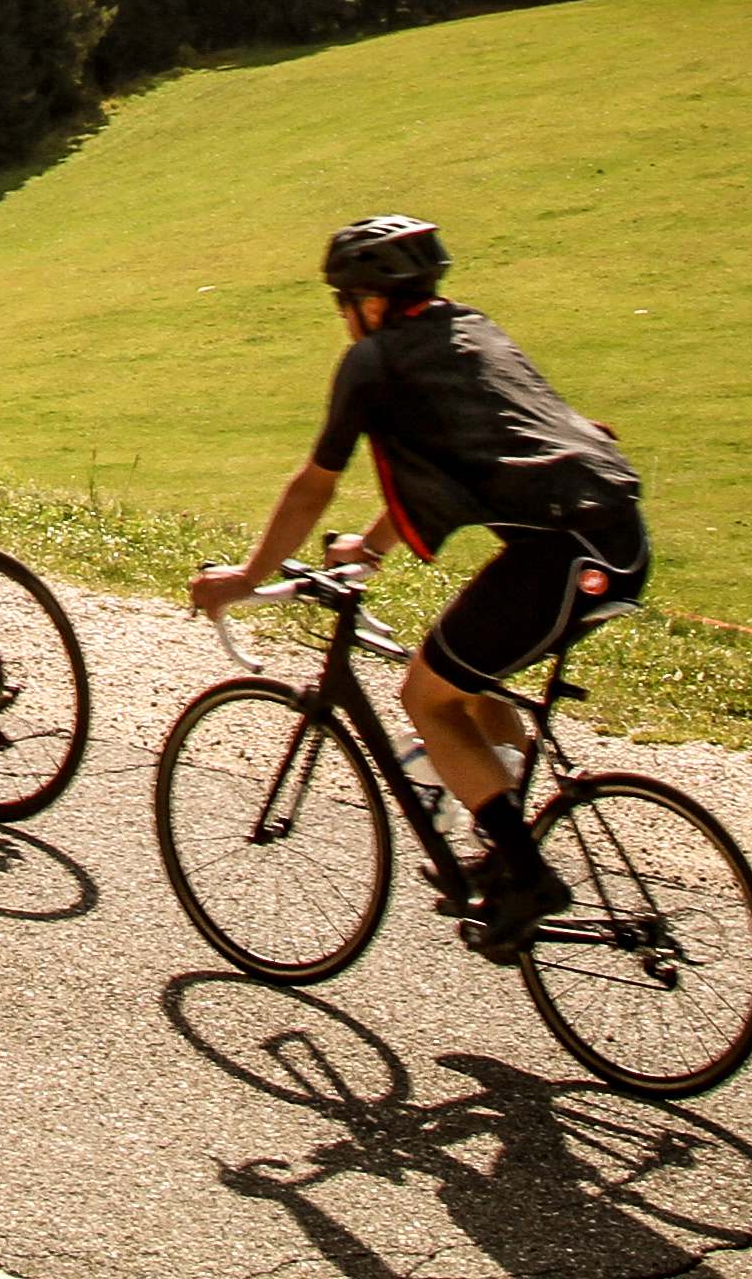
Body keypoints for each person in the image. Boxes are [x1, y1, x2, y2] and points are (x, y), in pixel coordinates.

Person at [188, 214, 649, 953]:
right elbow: (459, 462)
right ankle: (505, 838)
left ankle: (527, 876)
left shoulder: (373, 363)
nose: (342, 317)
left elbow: (313, 486)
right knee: (470, 684)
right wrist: (370, 548)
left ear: (369, 302)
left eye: (342, 302)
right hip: (615, 538)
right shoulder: (472, 330)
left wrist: (245, 578)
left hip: (560, 556)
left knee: (424, 698)